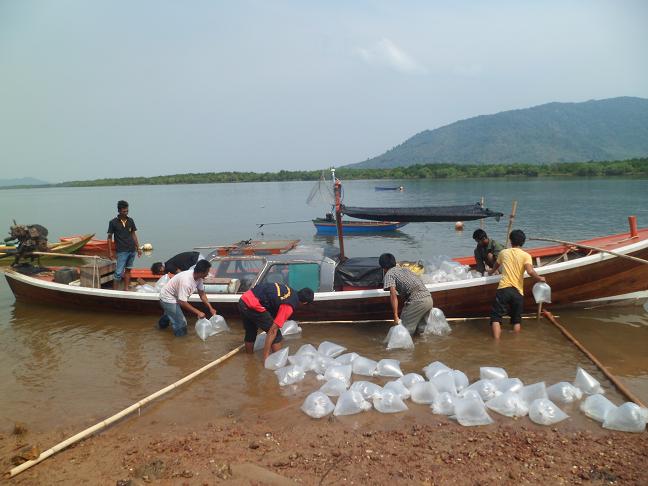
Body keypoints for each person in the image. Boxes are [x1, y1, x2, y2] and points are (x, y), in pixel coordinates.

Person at [488, 229, 546, 339]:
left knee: (496, 318)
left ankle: (496, 343)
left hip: (504, 289)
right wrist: (539, 278)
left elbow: (495, 266)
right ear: (523, 242)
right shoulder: (526, 256)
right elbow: (530, 271)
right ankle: (516, 342)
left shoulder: (503, 252)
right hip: (518, 292)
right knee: (516, 320)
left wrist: (490, 272)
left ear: (510, 241)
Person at [238, 283, 314, 360]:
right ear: (305, 303)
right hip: (253, 305)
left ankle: (249, 360)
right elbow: (273, 331)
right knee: (276, 335)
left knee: (251, 331)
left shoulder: (290, 291)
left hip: (243, 300)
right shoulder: (289, 305)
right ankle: (277, 362)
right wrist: (266, 357)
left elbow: (272, 301)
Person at [379, 253, 434, 336]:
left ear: (383, 267)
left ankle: (404, 349)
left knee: (403, 331)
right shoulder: (405, 269)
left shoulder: (389, 274)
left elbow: (393, 295)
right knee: (421, 332)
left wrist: (395, 316)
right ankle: (423, 347)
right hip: (428, 299)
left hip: (417, 301)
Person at [158, 259, 216, 337]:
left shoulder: (199, 278)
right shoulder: (186, 281)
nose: (207, 274)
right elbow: (182, 302)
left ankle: (160, 327)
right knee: (181, 323)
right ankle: (180, 343)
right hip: (167, 297)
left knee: (171, 314)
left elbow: (202, 294)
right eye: (207, 272)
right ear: (201, 272)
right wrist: (198, 312)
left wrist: (210, 308)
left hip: (176, 296)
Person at [107, 200, 141, 290]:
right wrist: (110, 252)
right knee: (118, 273)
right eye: (124, 211)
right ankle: (114, 292)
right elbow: (109, 237)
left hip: (132, 249)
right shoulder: (113, 222)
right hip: (121, 251)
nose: (126, 213)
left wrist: (138, 248)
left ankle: (126, 289)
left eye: (127, 211)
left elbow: (133, 234)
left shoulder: (131, 220)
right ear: (119, 211)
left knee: (128, 270)